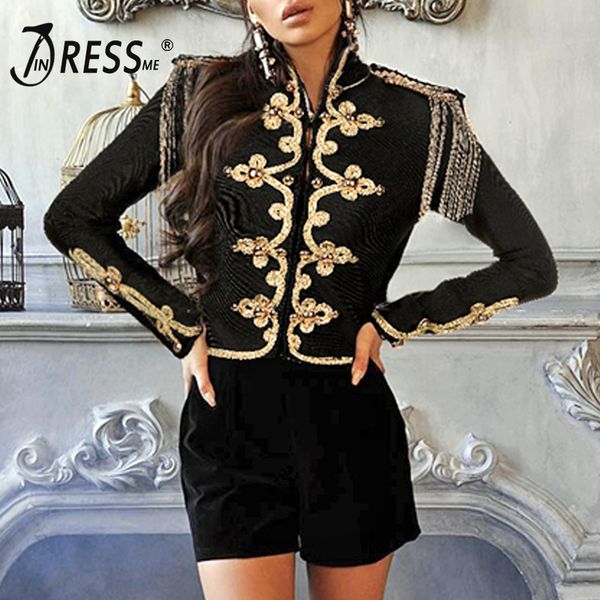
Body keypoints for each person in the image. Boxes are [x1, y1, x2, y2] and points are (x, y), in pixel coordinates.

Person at [43, 0, 559, 598]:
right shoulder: (197, 94)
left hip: (351, 423)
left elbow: (531, 265)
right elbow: (73, 218)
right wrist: (179, 325)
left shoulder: (421, 120)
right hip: (229, 421)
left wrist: (394, 322)